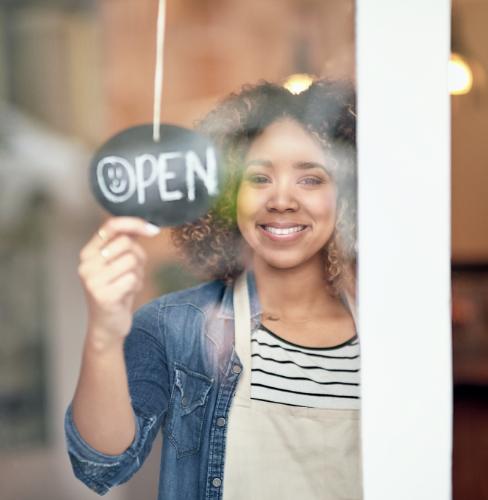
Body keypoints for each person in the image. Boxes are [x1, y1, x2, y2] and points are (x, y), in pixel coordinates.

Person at [66, 80, 360, 499]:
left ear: (346, 197)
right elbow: (100, 465)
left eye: (310, 180)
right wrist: (102, 334)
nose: (281, 200)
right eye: (258, 177)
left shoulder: (389, 335)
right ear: (227, 196)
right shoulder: (172, 328)